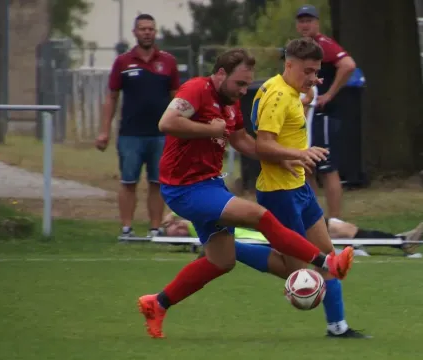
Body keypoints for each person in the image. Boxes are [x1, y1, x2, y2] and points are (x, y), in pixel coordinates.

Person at [137, 48, 354, 339]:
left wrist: (282, 158)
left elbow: (243, 141)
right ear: (221, 73)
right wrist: (208, 129)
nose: (242, 91)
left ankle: (157, 304)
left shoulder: (230, 104)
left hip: (210, 184)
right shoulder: (196, 89)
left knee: (221, 260)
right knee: (258, 215)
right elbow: (167, 123)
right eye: (239, 84)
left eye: (246, 85)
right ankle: (326, 262)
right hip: (185, 189)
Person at [252, 37, 369, 339]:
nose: (313, 78)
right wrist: (300, 154)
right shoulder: (277, 95)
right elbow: (263, 146)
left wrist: (295, 156)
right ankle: (229, 248)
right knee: (300, 270)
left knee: (328, 256)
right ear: (288, 64)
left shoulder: (293, 91)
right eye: (307, 71)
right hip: (279, 193)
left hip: (299, 187)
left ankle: (338, 327)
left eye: (317, 72)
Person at [95, 14, 180, 238]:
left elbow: (177, 99)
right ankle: (126, 228)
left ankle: (154, 228)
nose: (146, 32)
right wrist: (104, 131)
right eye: (142, 29)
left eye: (150, 29)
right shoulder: (123, 62)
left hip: (161, 135)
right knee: (128, 181)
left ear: (155, 32)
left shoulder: (168, 62)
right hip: (130, 134)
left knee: (157, 182)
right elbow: (111, 97)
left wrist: (181, 129)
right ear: (135, 32)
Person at [295, 4, 356, 220]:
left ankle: (336, 222)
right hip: (306, 116)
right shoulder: (299, 48)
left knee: (327, 169)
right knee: (308, 168)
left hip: (323, 115)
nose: (304, 25)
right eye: (301, 21)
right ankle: (313, 220)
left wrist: (329, 94)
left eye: (308, 21)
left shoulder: (324, 45)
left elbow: (348, 65)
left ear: (317, 23)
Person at [162, 212, 423, 257]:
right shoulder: (197, 231)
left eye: (172, 225)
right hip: (272, 234)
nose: (173, 228)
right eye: (169, 229)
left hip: (270, 224)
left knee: (338, 227)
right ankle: (400, 242)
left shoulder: (195, 225)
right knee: (339, 230)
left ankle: (399, 241)